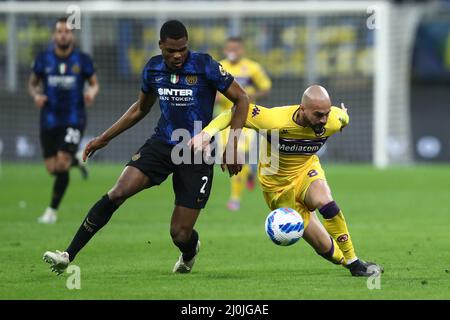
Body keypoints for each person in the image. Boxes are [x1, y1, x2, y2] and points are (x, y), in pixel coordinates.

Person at [43, 20, 249, 275]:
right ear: (160, 45)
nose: (177, 55)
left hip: (196, 152)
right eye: (171, 50)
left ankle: (189, 250)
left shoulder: (205, 65)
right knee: (118, 192)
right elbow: (141, 108)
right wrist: (104, 138)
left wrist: (233, 144)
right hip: (162, 144)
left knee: (179, 233)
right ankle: (67, 255)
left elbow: (241, 99)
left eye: (182, 49)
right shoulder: (153, 69)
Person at [191, 85, 383, 276]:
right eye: (318, 115)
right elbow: (234, 111)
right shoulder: (274, 120)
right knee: (326, 248)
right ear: (302, 109)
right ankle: (346, 262)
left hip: (306, 172)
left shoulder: (333, 119)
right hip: (277, 188)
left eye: (326, 114)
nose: (323, 120)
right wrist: (206, 134)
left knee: (326, 202)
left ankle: (354, 261)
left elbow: (343, 117)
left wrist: (344, 120)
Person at [28, 17, 99, 224]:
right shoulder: (43, 59)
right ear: (54, 35)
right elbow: (33, 84)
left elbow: (94, 84)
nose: (63, 35)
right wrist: (36, 95)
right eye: (59, 31)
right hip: (49, 120)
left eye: (67, 31)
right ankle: (77, 160)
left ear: (72, 36)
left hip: (74, 118)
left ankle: (51, 211)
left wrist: (91, 93)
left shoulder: (82, 60)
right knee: (52, 168)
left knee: (61, 164)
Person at [215, 37, 272, 211]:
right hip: (224, 118)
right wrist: (215, 97)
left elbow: (266, 86)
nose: (233, 52)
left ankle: (235, 199)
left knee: (237, 154)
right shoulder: (219, 67)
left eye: (236, 48)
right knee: (226, 157)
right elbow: (210, 89)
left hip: (246, 118)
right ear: (225, 50)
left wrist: (250, 96)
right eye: (229, 48)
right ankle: (249, 172)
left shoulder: (252, 67)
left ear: (242, 50)